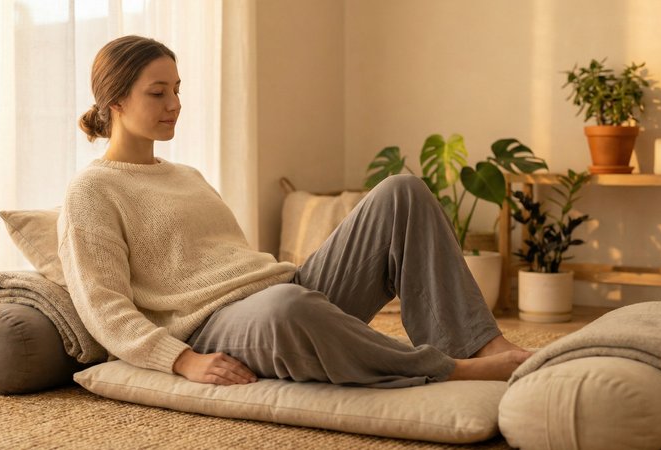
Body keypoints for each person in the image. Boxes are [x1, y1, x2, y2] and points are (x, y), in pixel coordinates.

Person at [59, 35, 532, 388]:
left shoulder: (186, 175)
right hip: (215, 325)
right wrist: (183, 360)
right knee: (287, 307)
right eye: (157, 93)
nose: (175, 104)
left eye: (177, 90)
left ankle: (481, 344)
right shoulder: (91, 191)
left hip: (285, 291)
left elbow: (231, 260)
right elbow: (104, 308)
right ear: (115, 100)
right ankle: (451, 370)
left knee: (401, 190)